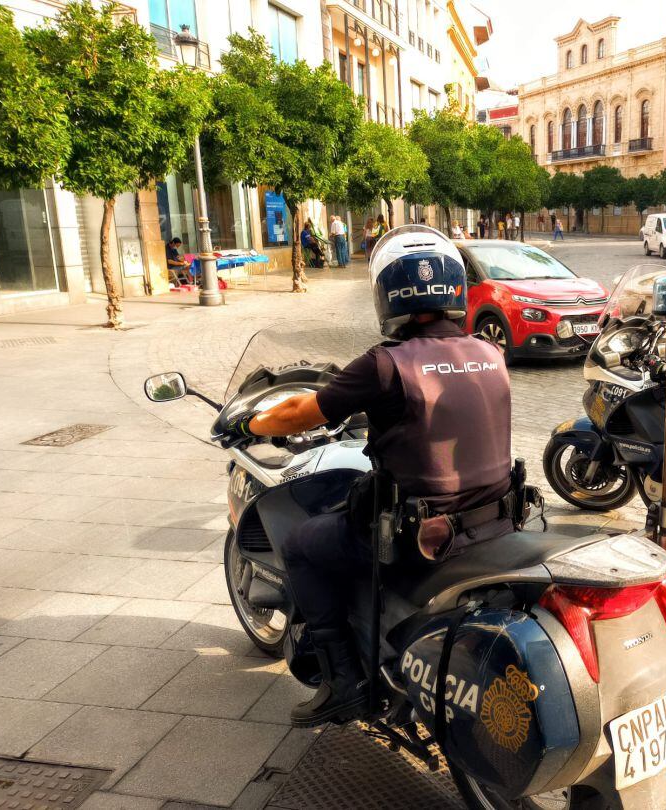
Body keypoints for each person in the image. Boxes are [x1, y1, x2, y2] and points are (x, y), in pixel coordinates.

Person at [220, 226, 513, 727]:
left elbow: (299, 413)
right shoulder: (490, 353)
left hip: (416, 534)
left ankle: (344, 682)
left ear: (387, 293)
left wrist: (248, 422)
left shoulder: (385, 364)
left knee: (304, 543)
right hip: (495, 520)